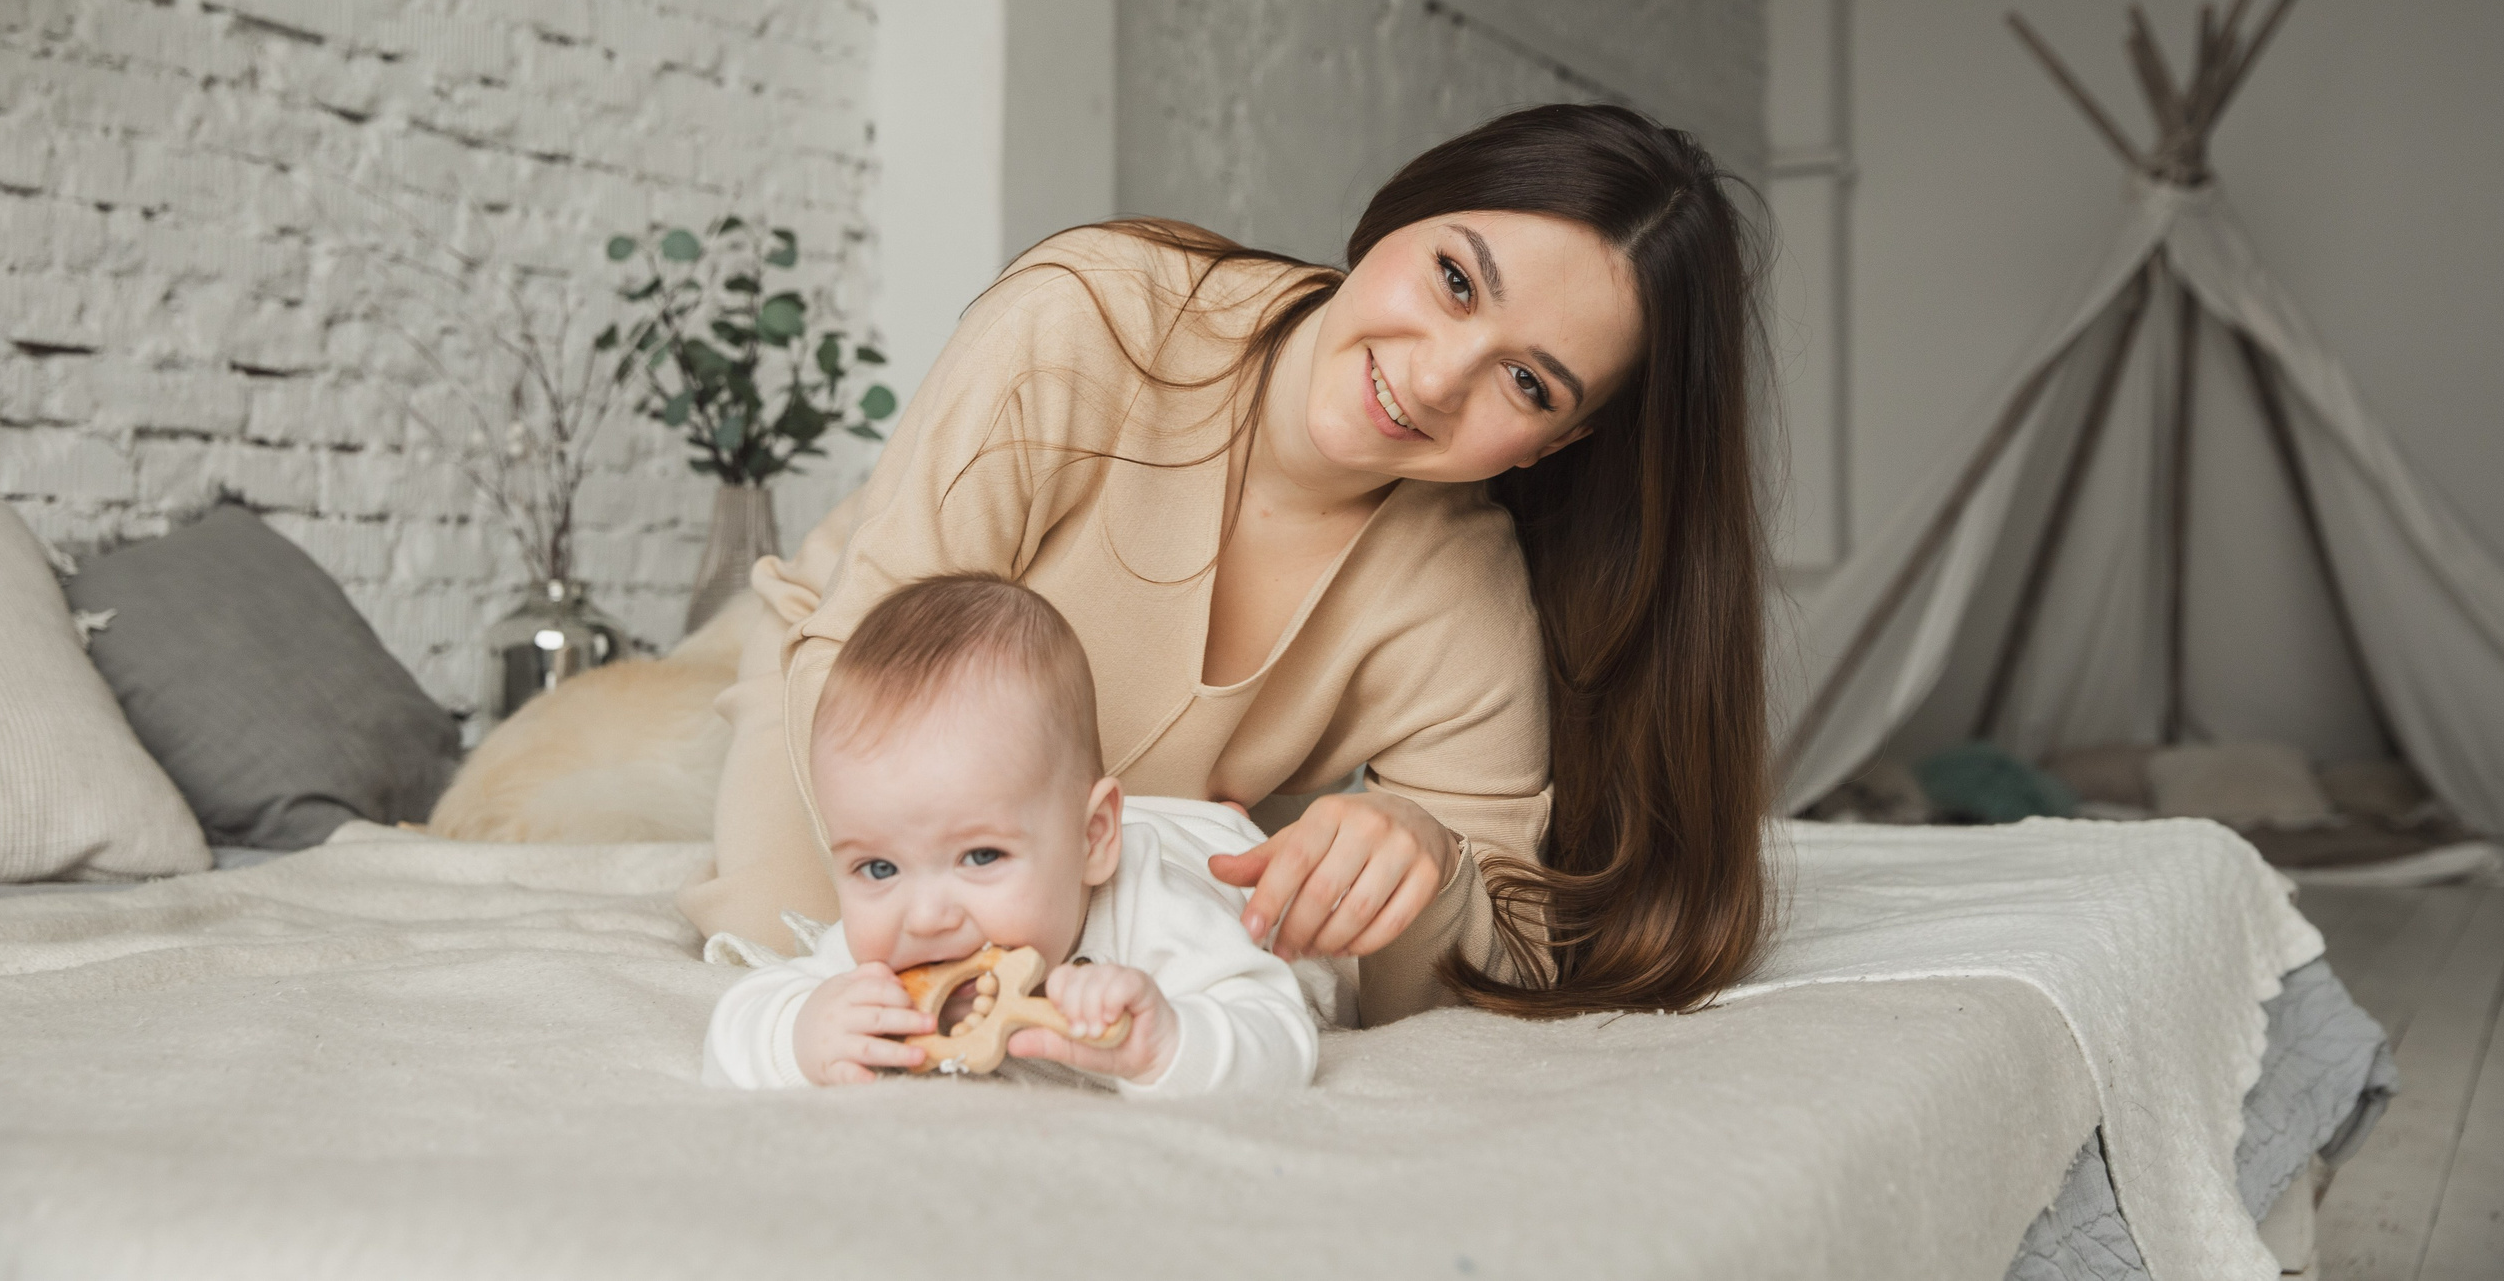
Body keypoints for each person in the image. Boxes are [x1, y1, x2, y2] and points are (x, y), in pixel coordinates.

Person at [683, 104, 1771, 1025]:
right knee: (810, 991)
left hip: (1120, 842)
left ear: (1557, 444)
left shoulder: (1458, 590)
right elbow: (867, 643)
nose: (1439, 379)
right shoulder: (1088, 321)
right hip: (855, 729)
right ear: (1396, 214)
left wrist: (1420, 857)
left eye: (1528, 385)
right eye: (1451, 279)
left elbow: (1514, 939)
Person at [703, 575, 1322, 1094]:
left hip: (1210, 849)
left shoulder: (1158, 917)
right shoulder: (889, 955)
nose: (925, 917)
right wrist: (801, 1033)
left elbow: (1281, 1035)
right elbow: (733, 1032)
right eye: (878, 869)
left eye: (980, 856)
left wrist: (1168, 1041)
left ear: (1092, 840)